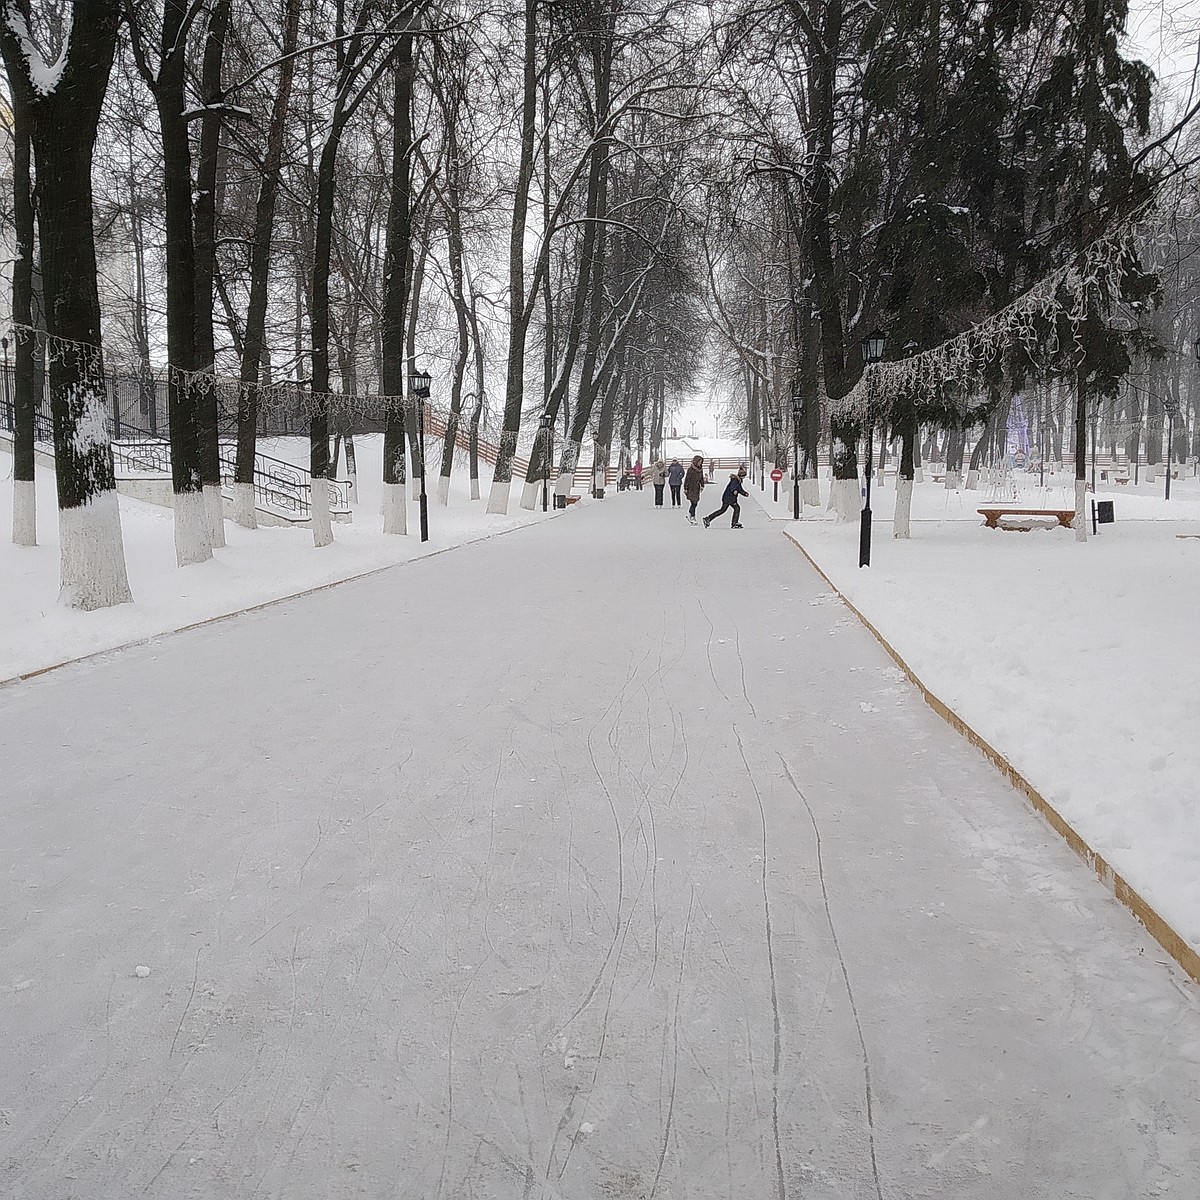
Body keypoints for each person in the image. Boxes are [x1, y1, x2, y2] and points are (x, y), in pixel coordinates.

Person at [683, 455, 705, 524]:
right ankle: (692, 516)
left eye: (701, 462)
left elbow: (701, 478)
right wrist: (685, 488)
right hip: (691, 487)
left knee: (695, 502)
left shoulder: (701, 469)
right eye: (699, 462)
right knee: (694, 502)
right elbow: (687, 479)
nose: (700, 463)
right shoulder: (690, 469)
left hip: (697, 487)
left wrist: (702, 485)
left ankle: (691, 514)